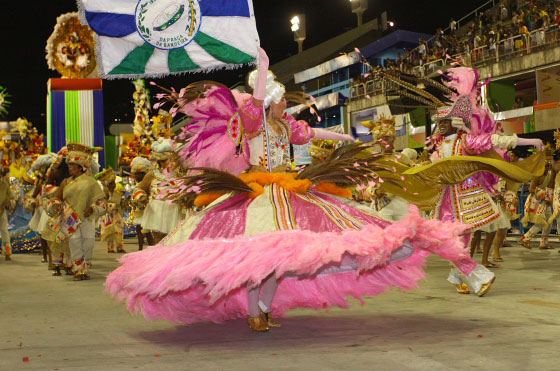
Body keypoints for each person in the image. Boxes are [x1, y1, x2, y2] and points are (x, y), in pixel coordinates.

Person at [106, 48, 479, 333]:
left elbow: (312, 132)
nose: (287, 103)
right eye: (281, 98)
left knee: (280, 260)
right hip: (256, 192)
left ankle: (262, 311)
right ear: (270, 99)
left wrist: (344, 135)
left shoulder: (286, 126)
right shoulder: (252, 121)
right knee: (259, 258)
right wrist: (262, 69)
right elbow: (254, 106)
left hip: (290, 188)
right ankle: (256, 312)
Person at [419, 67, 544, 293]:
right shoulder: (439, 147)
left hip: (468, 199)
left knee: (462, 241)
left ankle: (470, 278)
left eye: (445, 122)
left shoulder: (467, 141)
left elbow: (497, 140)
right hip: (447, 200)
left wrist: (530, 141)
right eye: (440, 122)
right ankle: (466, 276)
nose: (441, 125)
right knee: (448, 243)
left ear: (455, 123)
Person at [60, 143, 107, 280]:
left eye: (72, 165)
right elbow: (57, 198)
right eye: (69, 165)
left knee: (89, 242)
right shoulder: (66, 182)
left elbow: (102, 202)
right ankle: (79, 271)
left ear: (80, 167)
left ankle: (83, 266)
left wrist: (92, 208)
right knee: (74, 242)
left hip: (87, 218)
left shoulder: (90, 182)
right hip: (70, 218)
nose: (70, 168)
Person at [137, 138, 183, 241]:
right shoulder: (152, 175)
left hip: (173, 211)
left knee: (173, 241)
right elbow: (140, 188)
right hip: (156, 210)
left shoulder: (180, 176)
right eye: (162, 161)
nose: (165, 163)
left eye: (166, 160)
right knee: (158, 240)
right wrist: (141, 196)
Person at [519, 148, 555, 249]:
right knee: (540, 223)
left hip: (546, 201)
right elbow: (531, 189)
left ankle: (543, 243)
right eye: (546, 165)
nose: (547, 167)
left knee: (549, 221)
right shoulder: (537, 176)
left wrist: (549, 198)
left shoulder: (550, 175)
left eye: (549, 165)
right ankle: (525, 238)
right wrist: (545, 195)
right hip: (536, 201)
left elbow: (551, 187)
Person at [97, 168, 126, 254]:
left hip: (117, 215)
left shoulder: (117, 193)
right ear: (108, 185)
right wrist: (112, 206)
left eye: (114, 183)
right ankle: (110, 247)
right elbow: (103, 205)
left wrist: (124, 204)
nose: (114, 185)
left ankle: (119, 247)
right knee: (109, 232)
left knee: (119, 230)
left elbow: (121, 205)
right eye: (112, 183)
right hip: (108, 216)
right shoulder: (104, 193)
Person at [128, 156, 155, 250]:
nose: (138, 176)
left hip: (147, 209)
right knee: (139, 230)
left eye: (141, 174)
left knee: (147, 231)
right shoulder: (136, 185)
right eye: (137, 174)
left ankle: (152, 248)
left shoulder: (147, 183)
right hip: (138, 210)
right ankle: (140, 249)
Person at [0, 167, 15, 261]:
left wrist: (11, 202)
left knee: (4, 230)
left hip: (1, 211)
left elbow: (12, 197)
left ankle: (7, 251)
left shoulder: (4, 185)